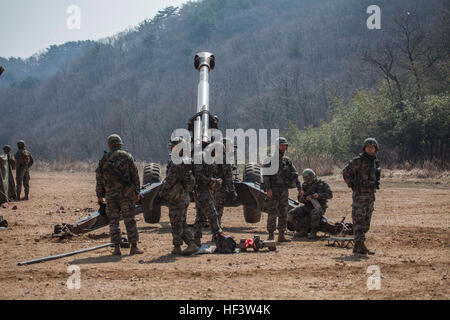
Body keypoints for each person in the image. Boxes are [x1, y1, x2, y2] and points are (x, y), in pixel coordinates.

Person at [95, 134, 143, 256]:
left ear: (110, 145)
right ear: (120, 144)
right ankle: (134, 247)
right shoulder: (127, 156)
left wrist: (100, 195)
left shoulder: (104, 159)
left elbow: (99, 178)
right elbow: (135, 176)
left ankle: (116, 248)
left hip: (110, 196)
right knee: (129, 220)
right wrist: (137, 192)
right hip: (126, 195)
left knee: (113, 221)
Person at [159, 137, 199, 255]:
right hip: (184, 196)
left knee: (176, 222)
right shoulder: (186, 160)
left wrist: (162, 193)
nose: (171, 148)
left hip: (177, 197)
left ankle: (179, 246)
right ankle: (190, 244)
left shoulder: (177, 161)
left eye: (173, 146)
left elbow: (170, 180)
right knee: (181, 222)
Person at [342, 138, 381, 255]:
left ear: (375, 149)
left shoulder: (375, 162)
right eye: (368, 147)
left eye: (372, 147)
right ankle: (360, 245)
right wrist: (352, 185)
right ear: (364, 148)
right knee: (359, 220)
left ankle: (358, 246)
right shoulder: (358, 161)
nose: (370, 149)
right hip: (360, 196)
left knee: (366, 223)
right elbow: (345, 172)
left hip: (370, 195)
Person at [262, 137, 301, 242]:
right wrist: (268, 189)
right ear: (276, 146)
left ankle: (281, 235)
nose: (283, 147)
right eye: (281, 145)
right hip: (273, 190)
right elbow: (265, 176)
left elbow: (295, 174)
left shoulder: (287, 160)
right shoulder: (269, 159)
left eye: (285, 145)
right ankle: (270, 235)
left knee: (283, 212)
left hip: (284, 190)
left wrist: (299, 187)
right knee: (272, 212)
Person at [192, 142, 223, 247]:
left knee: (201, 216)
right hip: (200, 190)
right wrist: (211, 181)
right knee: (213, 214)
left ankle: (195, 240)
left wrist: (215, 181)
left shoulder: (209, 158)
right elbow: (198, 175)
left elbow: (208, 174)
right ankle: (218, 238)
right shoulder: (200, 156)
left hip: (206, 190)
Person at [288, 169, 333, 239]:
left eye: (310, 180)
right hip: (307, 206)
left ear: (313, 177)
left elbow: (330, 195)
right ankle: (302, 230)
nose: (309, 182)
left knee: (314, 212)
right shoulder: (304, 185)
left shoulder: (322, 184)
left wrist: (319, 195)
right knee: (291, 213)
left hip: (320, 207)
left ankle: (313, 232)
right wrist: (306, 199)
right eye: (307, 181)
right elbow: (300, 198)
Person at [213, 138, 238, 225]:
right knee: (218, 210)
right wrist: (232, 191)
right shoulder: (224, 159)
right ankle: (216, 229)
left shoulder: (212, 157)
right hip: (219, 188)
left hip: (210, 187)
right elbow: (228, 177)